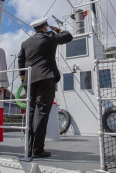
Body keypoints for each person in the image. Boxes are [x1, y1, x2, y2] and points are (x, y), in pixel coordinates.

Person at [18, 17, 73, 158]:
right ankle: (37, 149)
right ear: (45, 27)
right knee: (42, 112)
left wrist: (24, 79)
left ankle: (29, 148)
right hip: (45, 78)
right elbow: (68, 36)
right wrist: (57, 29)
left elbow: (20, 60)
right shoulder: (49, 37)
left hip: (29, 80)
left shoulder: (25, 43)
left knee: (31, 113)